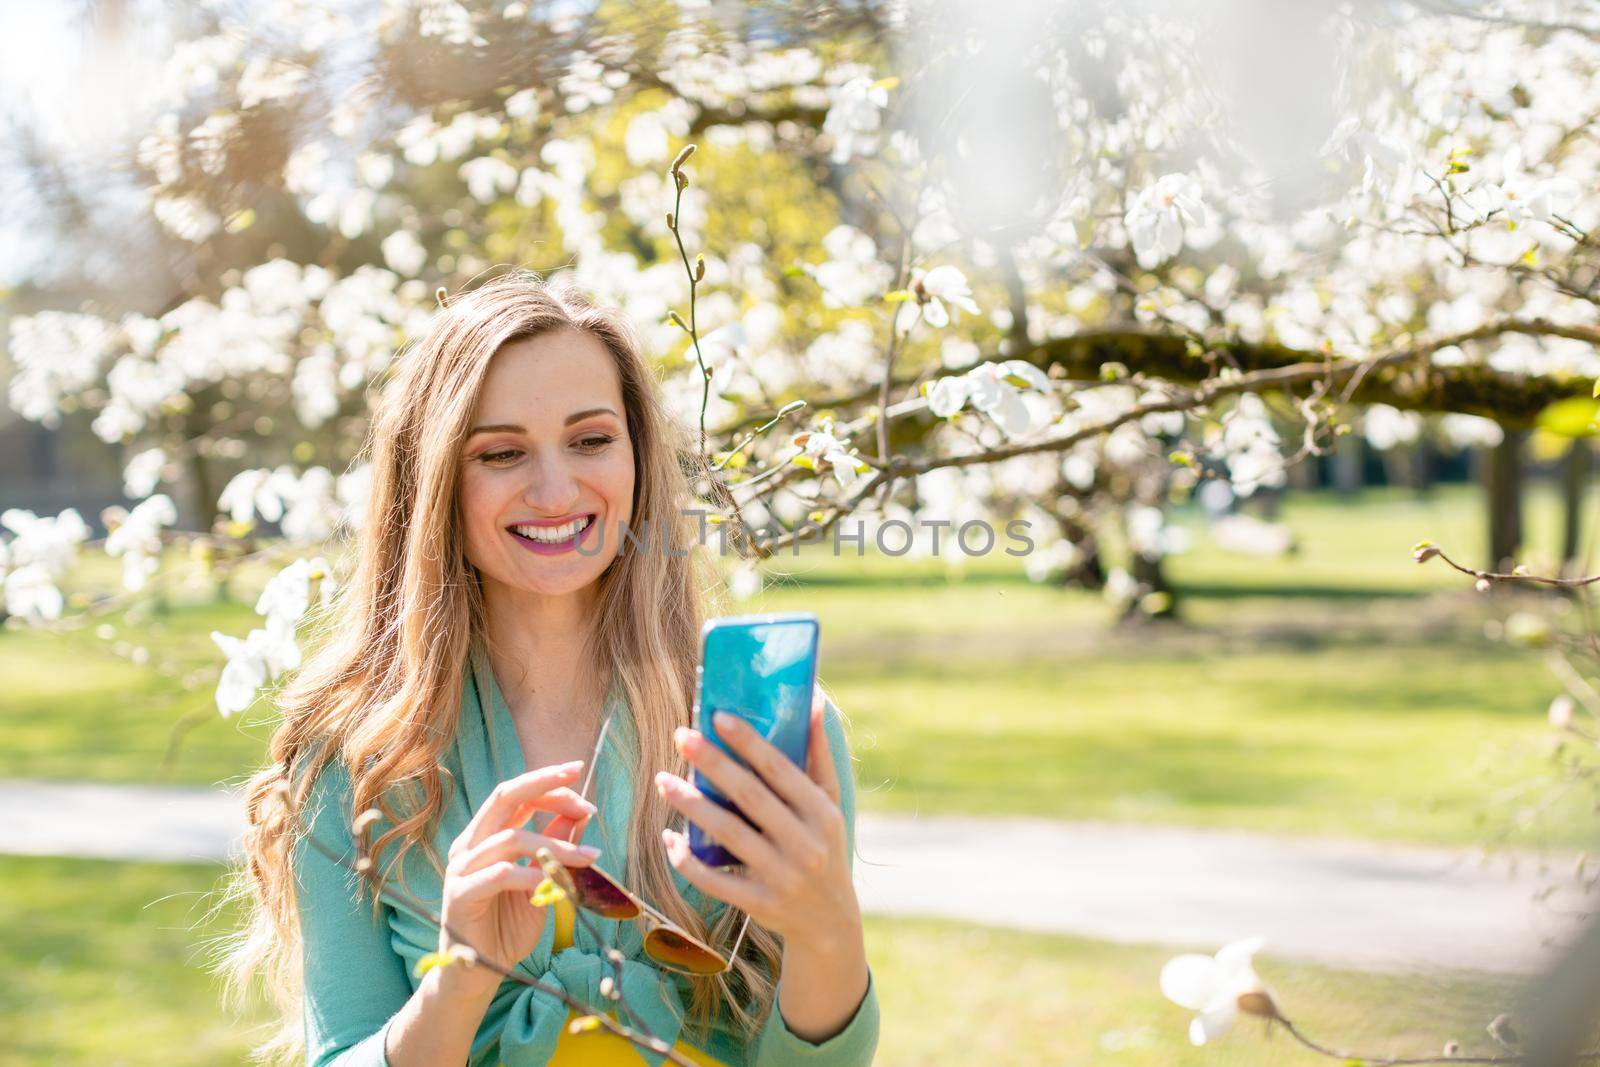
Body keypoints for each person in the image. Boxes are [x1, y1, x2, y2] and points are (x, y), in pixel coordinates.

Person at [216, 273, 880, 1066]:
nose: (557, 489)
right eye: (501, 452)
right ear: (432, 484)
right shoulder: (355, 757)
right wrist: (460, 980)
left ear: (636, 455)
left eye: (592, 439)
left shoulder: (761, 728)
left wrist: (826, 926)